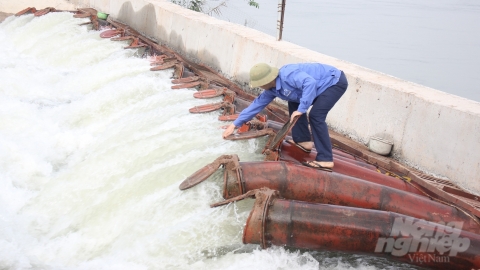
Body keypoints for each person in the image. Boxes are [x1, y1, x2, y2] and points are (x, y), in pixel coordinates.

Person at [222, 62, 348, 171]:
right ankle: (303, 140)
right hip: (319, 84)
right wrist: (235, 124)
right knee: (293, 100)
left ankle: (325, 159)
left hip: (333, 82)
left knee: (316, 115)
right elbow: (257, 104)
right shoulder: (271, 89)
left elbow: (310, 83)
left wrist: (302, 109)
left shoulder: (288, 75)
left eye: (259, 84)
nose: (259, 87)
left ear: (267, 81)